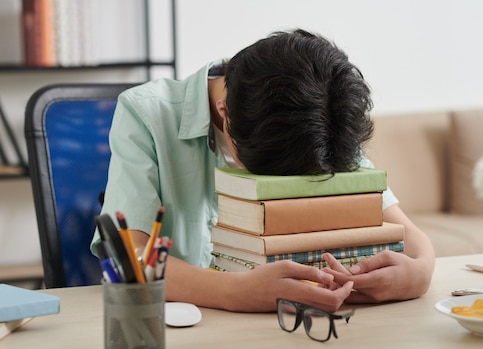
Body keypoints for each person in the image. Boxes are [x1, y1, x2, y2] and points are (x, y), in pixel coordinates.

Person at [91, 29, 435, 312]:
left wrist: (420, 271)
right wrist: (234, 291)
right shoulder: (146, 114)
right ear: (224, 113)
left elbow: (407, 233)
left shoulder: (320, 117)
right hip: (190, 330)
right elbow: (127, 258)